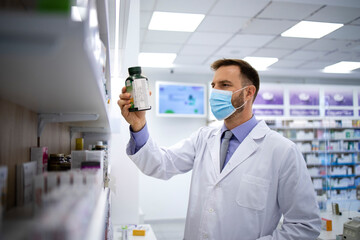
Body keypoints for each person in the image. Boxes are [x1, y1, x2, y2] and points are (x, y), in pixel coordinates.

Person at [118, 59, 321, 240]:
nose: (215, 92)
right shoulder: (203, 138)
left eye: (225, 85)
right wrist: (139, 124)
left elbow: (304, 226)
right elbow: (160, 164)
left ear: (248, 93)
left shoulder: (282, 151)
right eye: (213, 85)